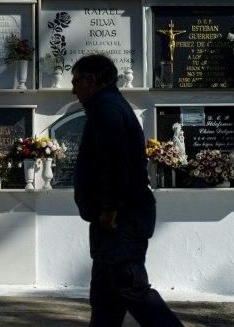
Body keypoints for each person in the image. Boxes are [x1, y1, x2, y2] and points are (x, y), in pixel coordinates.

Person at [71, 54, 182, 327]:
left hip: (120, 219)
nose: (74, 89)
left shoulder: (107, 108)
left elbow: (114, 161)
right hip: (113, 218)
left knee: (131, 288)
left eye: (76, 81)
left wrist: (110, 207)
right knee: (106, 298)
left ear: (91, 79)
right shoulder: (107, 105)